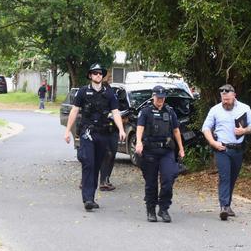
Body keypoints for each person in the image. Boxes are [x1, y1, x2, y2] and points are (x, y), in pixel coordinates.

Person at [64, 63, 126, 211]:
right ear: (90, 75)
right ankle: (88, 199)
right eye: (95, 73)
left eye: (100, 73)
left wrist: (121, 129)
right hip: (88, 133)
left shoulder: (109, 93)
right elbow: (74, 111)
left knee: (97, 166)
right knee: (88, 163)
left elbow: (116, 112)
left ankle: (91, 196)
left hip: (103, 133)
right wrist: (67, 131)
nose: (98, 75)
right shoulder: (83, 92)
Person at [201, 83, 251, 221]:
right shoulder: (215, 110)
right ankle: (224, 206)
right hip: (222, 148)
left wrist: (244, 130)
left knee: (232, 178)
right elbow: (205, 128)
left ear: (234, 96)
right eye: (223, 99)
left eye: (228, 99)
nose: (225, 102)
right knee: (225, 176)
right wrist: (213, 142)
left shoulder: (244, 108)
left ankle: (227, 204)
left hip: (238, 148)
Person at [135, 85, 185, 223]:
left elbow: (176, 131)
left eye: (162, 98)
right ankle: (150, 209)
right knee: (151, 183)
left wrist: (181, 148)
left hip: (166, 151)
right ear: (153, 97)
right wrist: (138, 142)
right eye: (158, 98)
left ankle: (164, 209)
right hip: (150, 151)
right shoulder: (146, 112)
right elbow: (140, 127)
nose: (160, 100)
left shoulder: (169, 112)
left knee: (168, 179)